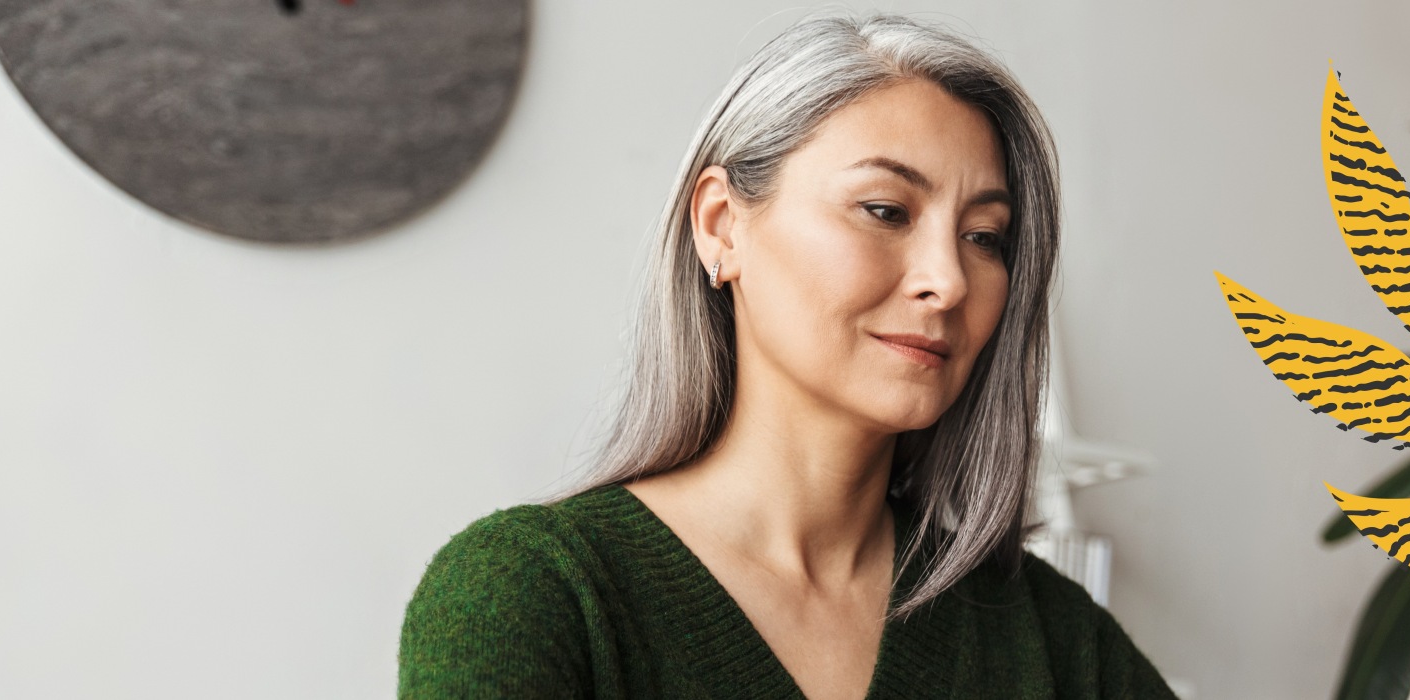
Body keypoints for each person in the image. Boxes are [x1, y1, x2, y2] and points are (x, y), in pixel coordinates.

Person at [398, 11, 1174, 699]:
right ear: (721, 227)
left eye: (984, 237)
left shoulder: (1048, 635)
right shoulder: (535, 596)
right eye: (885, 210)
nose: (947, 279)